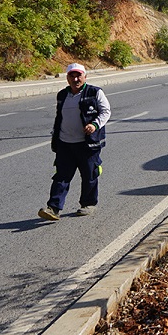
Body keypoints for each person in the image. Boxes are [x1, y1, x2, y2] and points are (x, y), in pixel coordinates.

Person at [39, 63, 111, 221]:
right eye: (72, 76)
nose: (75, 79)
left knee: (89, 174)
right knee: (61, 176)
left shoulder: (95, 92)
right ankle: (53, 208)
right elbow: (60, 118)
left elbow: (106, 111)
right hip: (65, 143)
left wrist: (95, 124)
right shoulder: (62, 95)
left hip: (87, 144)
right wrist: (56, 138)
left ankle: (88, 204)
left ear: (85, 76)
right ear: (67, 78)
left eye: (79, 75)